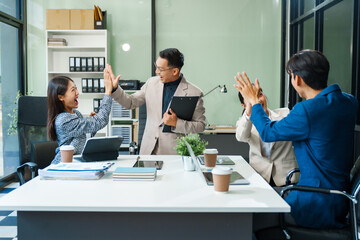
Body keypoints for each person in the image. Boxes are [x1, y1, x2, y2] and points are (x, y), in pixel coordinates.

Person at [234, 49, 358, 229]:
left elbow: (268, 133)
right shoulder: (348, 102)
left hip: (314, 201)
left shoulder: (306, 111)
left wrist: (253, 101)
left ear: (297, 79)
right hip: (341, 200)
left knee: (252, 218)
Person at [104, 48, 206, 155]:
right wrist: (115, 89)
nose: (156, 71)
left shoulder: (194, 92)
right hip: (148, 150)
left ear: (175, 71)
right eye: (156, 67)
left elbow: (201, 125)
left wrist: (177, 123)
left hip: (173, 153)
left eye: (160, 69)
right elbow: (130, 102)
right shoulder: (151, 83)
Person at [236, 89, 298, 187]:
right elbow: (241, 137)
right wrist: (248, 114)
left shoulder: (285, 114)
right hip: (259, 176)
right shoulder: (245, 123)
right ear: (244, 106)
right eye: (251, 99)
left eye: (260, 95)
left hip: (287, 177)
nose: (258, 101)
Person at [47, 75, 113, 164]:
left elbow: (83, 138)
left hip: (77, 162)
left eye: (76, 89)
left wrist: (90, 124)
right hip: (62, 166)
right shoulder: (63, 120)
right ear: (60, 97)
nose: (77, 93)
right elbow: (101, 120)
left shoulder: (76, 113)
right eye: (73, 90)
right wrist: (108, 92)